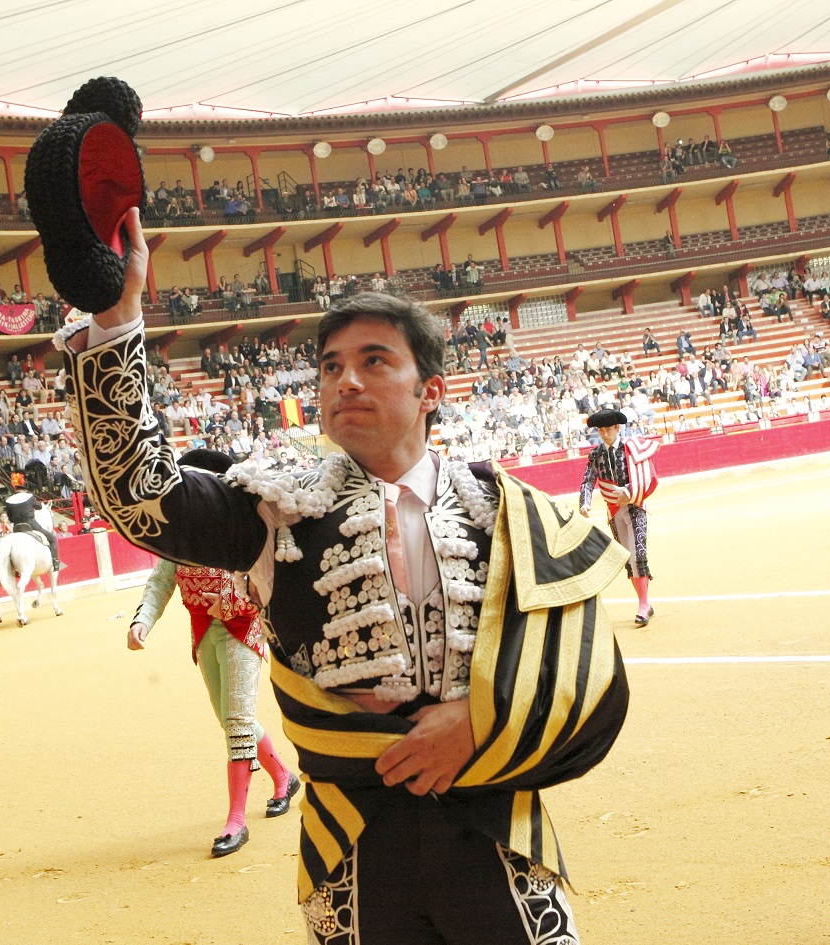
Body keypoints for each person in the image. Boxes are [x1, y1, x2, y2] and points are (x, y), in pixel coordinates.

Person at [55, 209, 628, 945]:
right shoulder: (275, 508)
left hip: (495, 830)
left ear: (431, 390)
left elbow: (586, 674)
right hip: (353, 848)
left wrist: (481, 722)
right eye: (330, 366)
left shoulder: (504, 511)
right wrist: (117, 318)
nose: (345, 380)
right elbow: (137, 493)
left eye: (375, 361)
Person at [129, 451, 299, 858]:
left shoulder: (242, 525)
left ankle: (236, 821)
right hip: (205, 631)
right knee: (231, 719)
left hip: (243, 629)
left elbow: (269, 581)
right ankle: (284, 777)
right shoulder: (178, 534)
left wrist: (239, 604)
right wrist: (142, 621)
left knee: (237, 721)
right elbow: (161, 582)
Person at [577, 408, 659, 626]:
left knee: (638, 554)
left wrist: (630, 492)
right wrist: (585, 502)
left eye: (608, 430)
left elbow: (646, 477)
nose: (605, 434)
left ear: (616, 428)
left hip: (635, 506)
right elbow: (588, 480)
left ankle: (643, 604)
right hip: (613, 510)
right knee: (627, 557)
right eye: (601, 430)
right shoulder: (595, 454)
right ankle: (645, 603)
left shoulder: (632, 449)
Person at [3, 491, 63, 571]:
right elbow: (39, 507)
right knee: (52, 539)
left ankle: (12, 566)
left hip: (17, 527)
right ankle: (55, 562)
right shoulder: (29, 497)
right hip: (31, 525)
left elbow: (10, 518)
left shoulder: (9, 501)